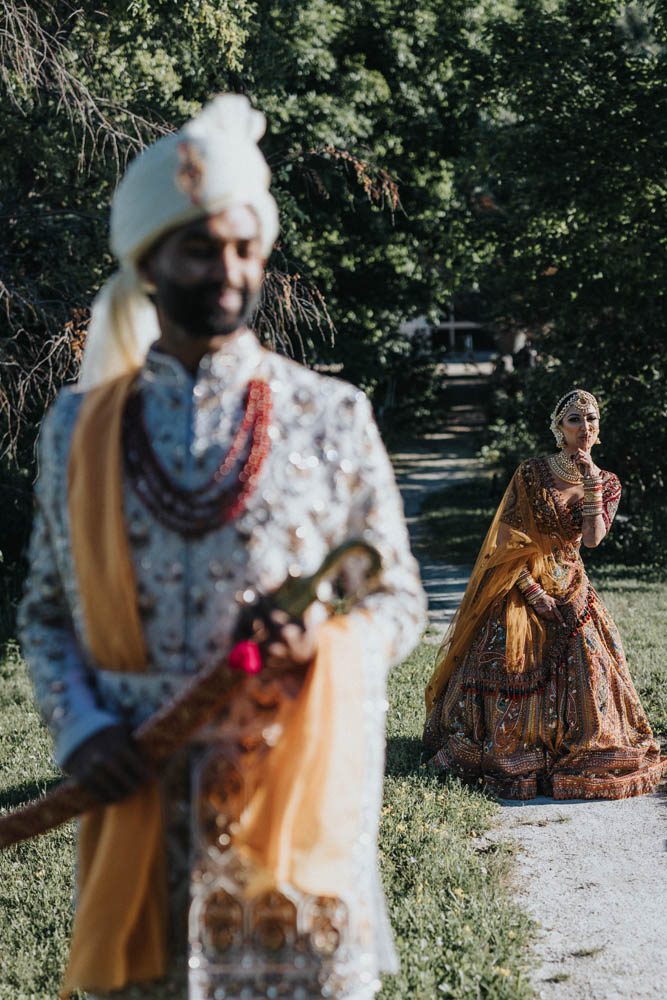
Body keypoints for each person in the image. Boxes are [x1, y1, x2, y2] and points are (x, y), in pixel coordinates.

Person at [18, 94, 426, 999]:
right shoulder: (80, 429)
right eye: (201, 247)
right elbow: (46, 615)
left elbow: (396, 601)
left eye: (245, 248)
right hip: (139, 794)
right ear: (149, 259)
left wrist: (323, 639)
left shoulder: (331, 416)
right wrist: (82, 731)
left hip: (286, 808)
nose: (228, 269)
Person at [423, 388, 666, 801]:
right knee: (507, 661)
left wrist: (590, 484)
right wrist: (533, 593)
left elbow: (591, 541)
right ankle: (513, 751)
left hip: (573, 586)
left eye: (591, 419)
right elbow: (506, 542)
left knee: (590, 663)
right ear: (559, 428)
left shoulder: (608, 482)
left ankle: (579, 748)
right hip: (521, 584)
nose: (584, 427)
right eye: (574, 419)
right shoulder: (532, 473)